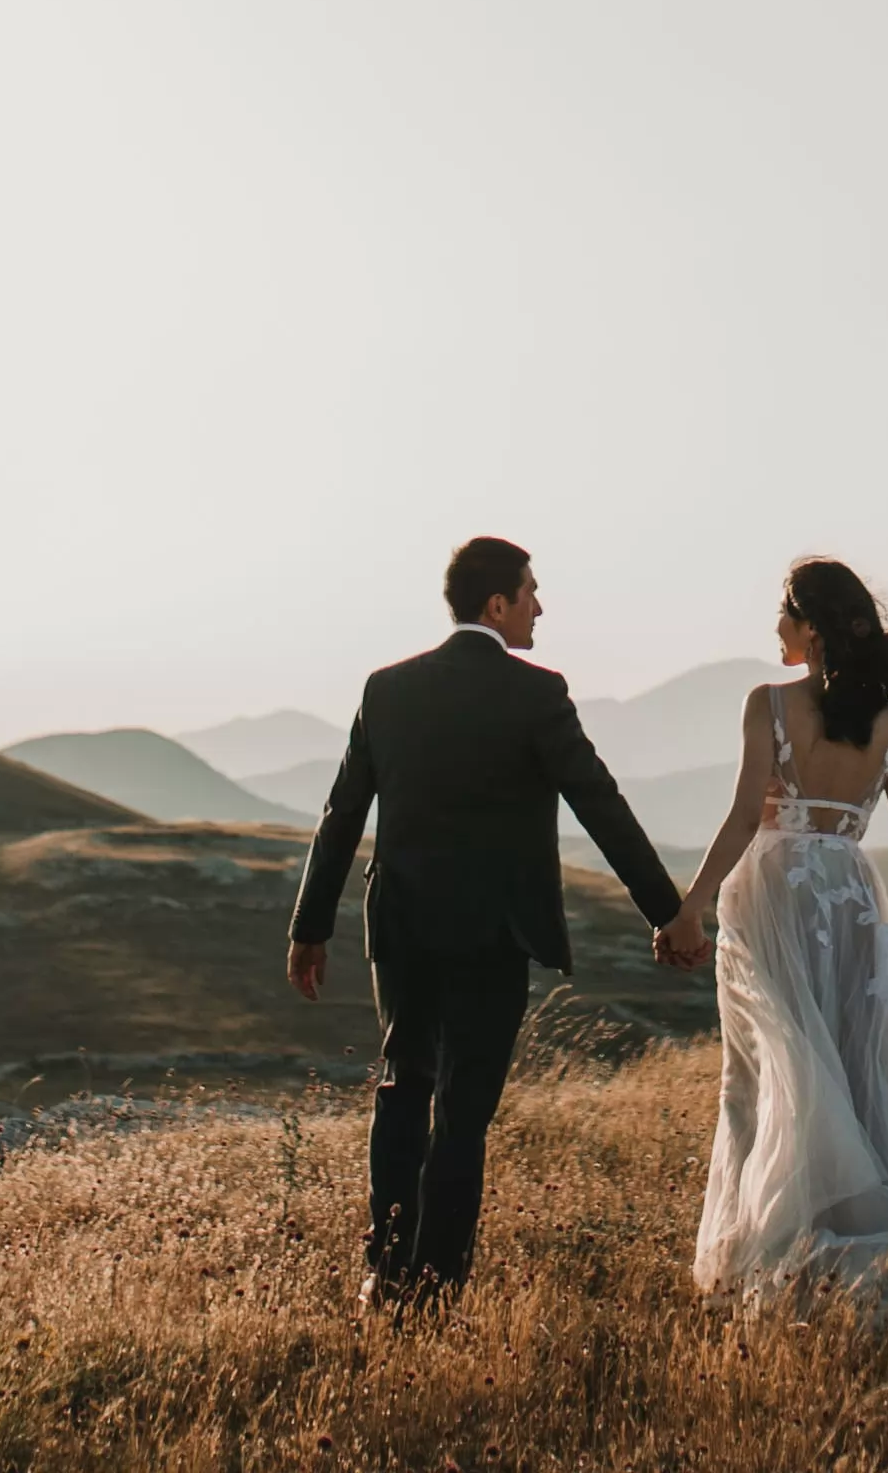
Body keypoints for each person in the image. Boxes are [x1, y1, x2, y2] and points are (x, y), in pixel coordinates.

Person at [284, 534, 696, 1302]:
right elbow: (599, 804)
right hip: (494, 934)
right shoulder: (536, 693)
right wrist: (669, 913)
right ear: (496, 604)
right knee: (463, 1113)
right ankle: (437, 1285)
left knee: (404, 1087)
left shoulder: (387, 689)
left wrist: (310, 926)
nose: (541, 606)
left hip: (402, 929)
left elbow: (342, 813)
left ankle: (385, 1272)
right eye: (531, 591)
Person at [664, 557, 888, 1309]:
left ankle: (782, 1253)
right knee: (859, 1077)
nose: (775, 627)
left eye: (783, 613)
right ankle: (876, 1250)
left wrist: (691, 904)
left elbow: (740, 819)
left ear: (813, 629)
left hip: (774, 901)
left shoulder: (765, 703)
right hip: (853, 904)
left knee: (773, 1073)